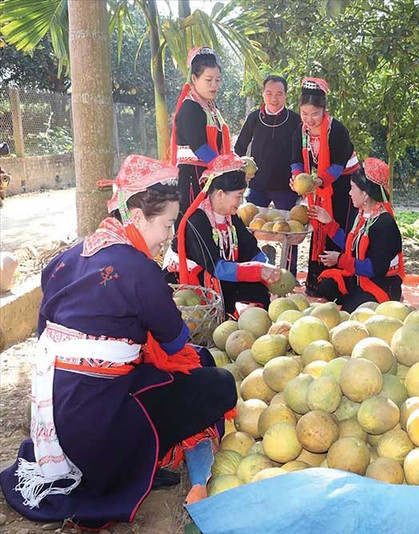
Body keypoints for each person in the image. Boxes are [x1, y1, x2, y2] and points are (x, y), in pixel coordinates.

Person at [0, 155, 236, 529]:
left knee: (175, 366)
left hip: (59, 406)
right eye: (167, 224)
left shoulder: (73, 253)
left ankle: (138, 453)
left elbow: (47, 320)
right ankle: (130, 461)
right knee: (217, 380)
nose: (169, 237)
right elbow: (176, 342)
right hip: (97, 430)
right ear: (139, 217)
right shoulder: (140, 270)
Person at [165, 154, 281, 316]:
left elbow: (250, 249)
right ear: (220, 194)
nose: (241, 202)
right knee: (234, 286)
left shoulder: (231, 217)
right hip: (196, 281)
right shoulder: (197, 221)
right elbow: (215, 267)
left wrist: (267, 268)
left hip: (220, 274)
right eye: (238, 196)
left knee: (258, 289)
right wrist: (258, 270)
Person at [290, 77, 360, 295]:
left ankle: (341, 282)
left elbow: (338, 165)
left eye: (315, 114)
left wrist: (318, 182)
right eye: (304, 114)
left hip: (346, 187)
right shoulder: (300, 131)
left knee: (338, 225)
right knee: (320, 225)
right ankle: (317, 282)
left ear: (324, 110)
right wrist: (297, 177)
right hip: (319, 186)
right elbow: (296, 160)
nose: (309, 119)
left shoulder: (337, 131)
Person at [309, 158, 403, 311]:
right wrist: (328, 222)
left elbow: (374, 269)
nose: (349, 193)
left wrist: (340, 260)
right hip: (358, 278)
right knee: (326, 286)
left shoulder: (384, 225)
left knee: (349, 312)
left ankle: (379, 301)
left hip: (378, 283)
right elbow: (350, 244)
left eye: (352, 188)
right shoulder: (361, 215)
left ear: (365, 194)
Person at [235, 74, 302, 274]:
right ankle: (253, 269)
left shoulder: (295, 120)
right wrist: (239, 171)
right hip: (257, 185)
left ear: (286, 95)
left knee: (290, 232)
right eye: (269, 93)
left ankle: (289, 272)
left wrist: (299, 179)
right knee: (250, 229)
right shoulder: (254, 118)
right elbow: (239, 148)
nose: (274, 98)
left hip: (286, 187)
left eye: (279, 94)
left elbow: (299, 154)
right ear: (263, 94)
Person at [171, 46, 232, 217]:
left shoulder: (211, 107)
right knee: (194, 223)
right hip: (192, 178)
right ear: (194, 78)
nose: (214, 85)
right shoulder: (190, 107)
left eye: (218, 80)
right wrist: (225, 168)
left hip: (207, 174)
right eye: (209, 80)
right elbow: (199, 146)